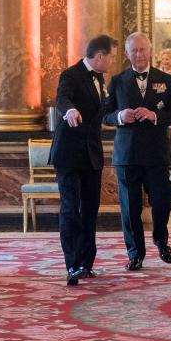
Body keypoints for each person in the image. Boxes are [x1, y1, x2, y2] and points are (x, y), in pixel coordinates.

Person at [103, 32, 171, 271]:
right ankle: (135, 253)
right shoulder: (117, 81)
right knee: (130, 207)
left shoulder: (166, 80)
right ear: (127, 54)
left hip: (157, 153)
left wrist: (154, 115)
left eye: (142, 50)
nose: (138, 54)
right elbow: (104, 113)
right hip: (127, 154)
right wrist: (119, 116)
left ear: (150, 51)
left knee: (162, 200)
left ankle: (161, 238)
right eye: (133, 51)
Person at [49, 34, 118, 285]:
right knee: (70, 208)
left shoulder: (102, 80)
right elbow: (62, 98)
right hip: (68, 154)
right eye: (111, 56)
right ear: (99, 56)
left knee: (90, 209)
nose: (112, 61)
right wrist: (69, 110)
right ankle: (73, 265)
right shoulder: (71, 74)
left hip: (92, 154)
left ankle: (87, 263)